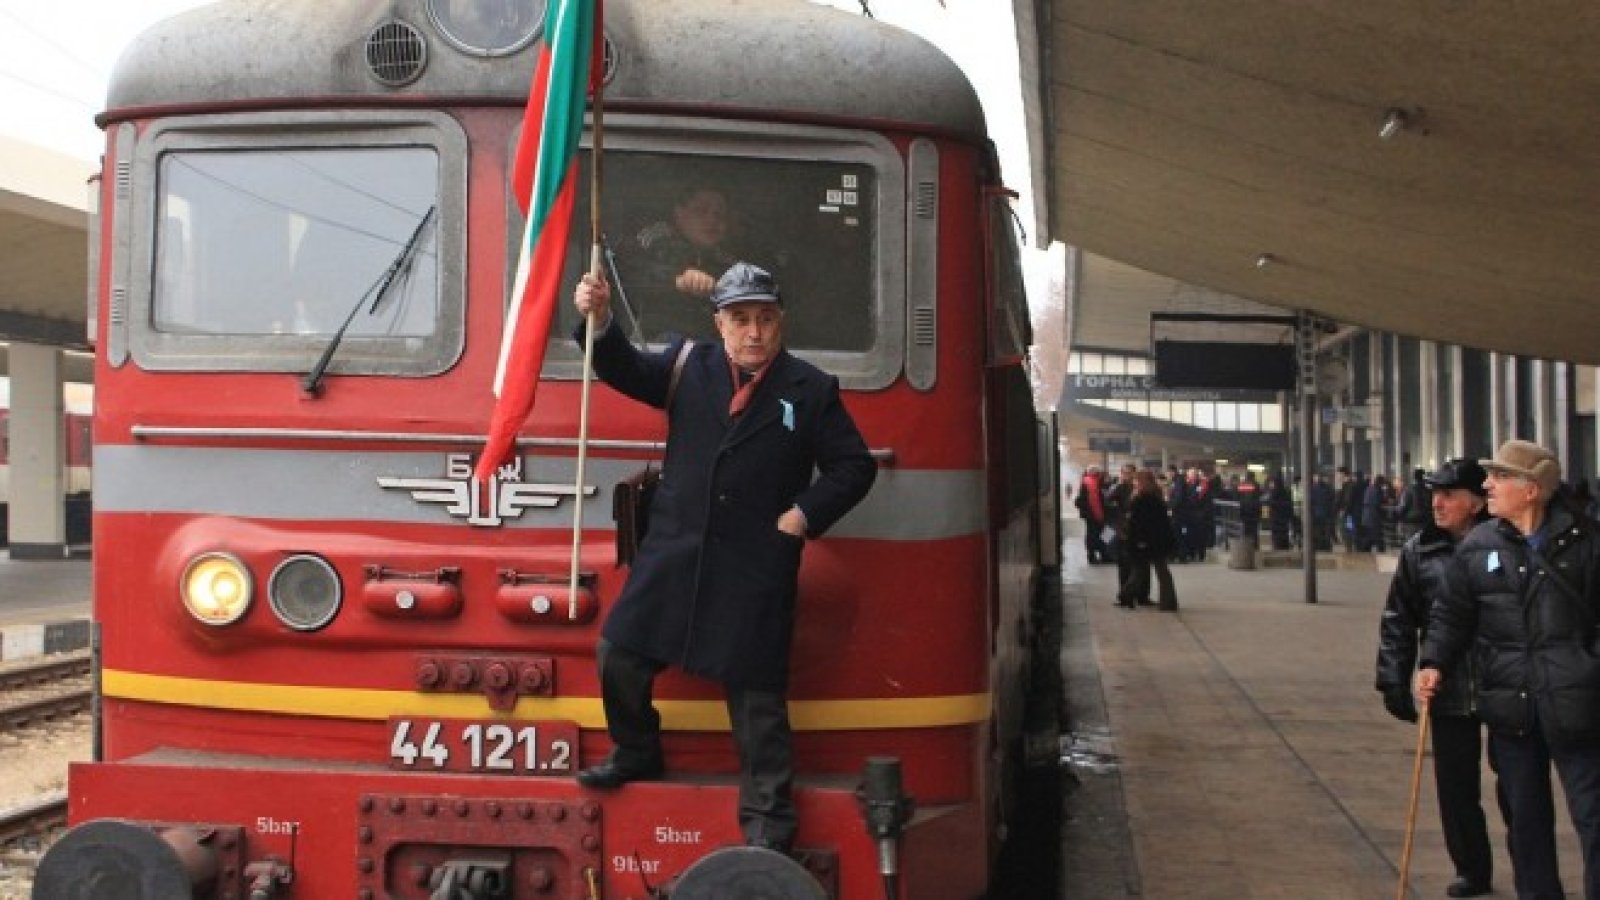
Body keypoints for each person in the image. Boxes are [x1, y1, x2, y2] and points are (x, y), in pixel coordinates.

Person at [569, 261, 878, 853]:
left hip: (755, 562)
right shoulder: (688, 366)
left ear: (781, 322)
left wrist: (801, 516)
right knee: (618, 655)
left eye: (765, 318)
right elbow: (621, 367)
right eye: (740, 319)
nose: (754, 332)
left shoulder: (811, 389)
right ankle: (636, 750)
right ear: (719, 323)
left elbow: (854, 467)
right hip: (675, 552)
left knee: (757, 700)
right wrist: (600, 319)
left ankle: (769, 822)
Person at [1418, 440, 1600, 900]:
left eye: (1499, 477)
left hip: (1577, 704)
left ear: (1532, 489)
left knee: (1594, 816)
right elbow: (1451, 615)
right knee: (1526, 821)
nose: (1488, 485)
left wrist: (1586, 666)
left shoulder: (1587, 543)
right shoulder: (1479, 547)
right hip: (1511, 705)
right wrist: (1433, 661)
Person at [1375, 458, 1497, 898]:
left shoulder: (1505, 545)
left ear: (1476, 502)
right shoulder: (1419, 550)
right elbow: (1398, 618)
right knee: (1456, 785)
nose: (1437, 503)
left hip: (1502, 682)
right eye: (1434, 495)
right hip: (1445, 683)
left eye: (1449, 495)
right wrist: (1393, 677)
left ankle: (1532, 868)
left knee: (1517, 784)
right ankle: (1472, 869)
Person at [1117, 469, 1178, 611]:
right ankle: (1167, 602)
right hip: (1157, 540)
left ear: (1143, 482)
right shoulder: (1155, 496)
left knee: (1141, 571)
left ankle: (1126, 594)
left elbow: (1139, 523)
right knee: (1160, 572)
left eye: (1137, 480)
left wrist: (1138, 539)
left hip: (1146, 540)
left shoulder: (1141, 499)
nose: (1135, 483)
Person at [1075, 466, 1110, 563]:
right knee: (1096, 535)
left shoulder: (1090, 481)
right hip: (1094, 515)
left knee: (1099, 534)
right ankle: (1098, 555)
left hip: (1092, 515)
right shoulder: (1091, 482)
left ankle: (1099, 554)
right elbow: (1095, 502)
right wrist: (1099, 516)